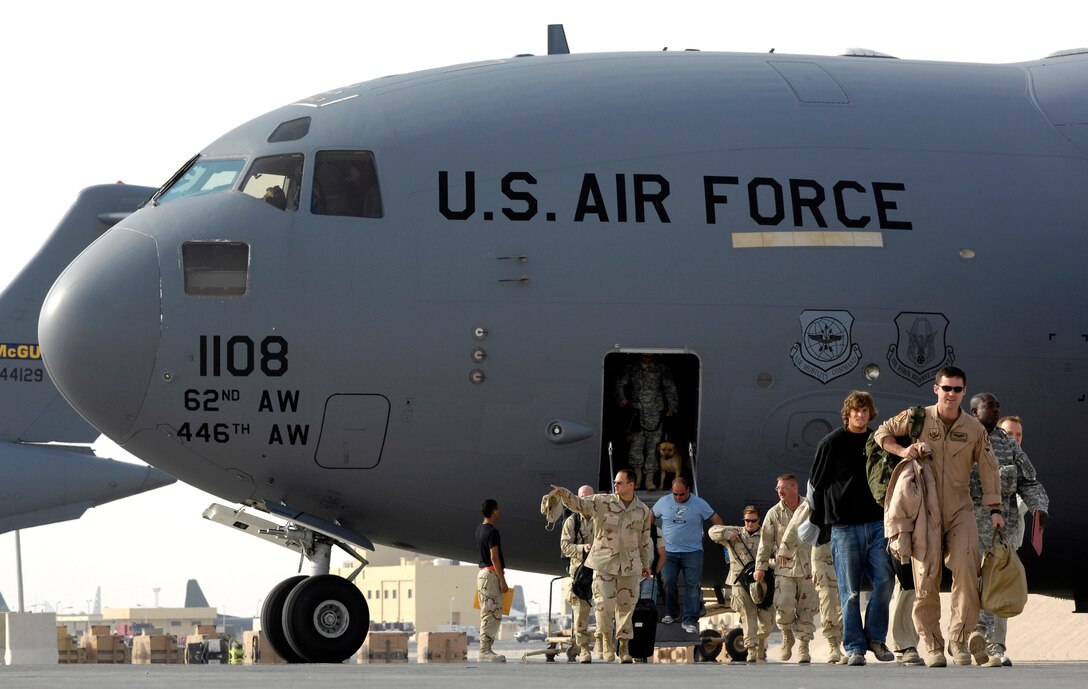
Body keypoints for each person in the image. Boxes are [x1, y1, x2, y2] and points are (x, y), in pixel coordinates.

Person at [878, 366, 1003, 668]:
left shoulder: (974, 429)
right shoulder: (917, 417)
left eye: (957, 389)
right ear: (936, 389)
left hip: (961, 509)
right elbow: (882, 433)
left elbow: (988, 467)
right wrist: (903, 449)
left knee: (966, 573)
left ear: (964, 391)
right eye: (946, 388)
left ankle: (958, 640)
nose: (951, 394)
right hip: (925, 511)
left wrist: (995, 508)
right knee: (926, 579)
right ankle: (932, 645)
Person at [809, 390, 894, 666]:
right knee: (850, 591)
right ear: (848, 414)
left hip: (878, 523)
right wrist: (821, 524)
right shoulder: (831, 443)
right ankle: (855, 647)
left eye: (865, 411)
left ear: (871, 414)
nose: (860, 415)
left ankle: (876, 639)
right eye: (855, 411)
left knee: (885, 581)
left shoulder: (878, 441)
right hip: (844, 527)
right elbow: (817, 486)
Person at [969, 395, 1049, 667]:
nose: (995, 411)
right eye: (990, 408)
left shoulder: (1009, 447)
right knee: (970, 587)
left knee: (998, 583)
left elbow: (1029, 482)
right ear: (974, 412)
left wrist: (1039, 506)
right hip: (965, 526)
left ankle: (990, 644)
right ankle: (967, 640)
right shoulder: (960, 438)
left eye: (997, 408)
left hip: (1002, 529)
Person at [547, 469, 652, 664]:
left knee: (626, 608)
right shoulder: (603, 502)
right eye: (615, 482)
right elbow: (580, 504)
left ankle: (624, 648)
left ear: (631, 485)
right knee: (603, 607)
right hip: (604, 564)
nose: (616, 485)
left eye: (620, 482)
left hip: (629, 567)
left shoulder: (643, 511)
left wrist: (645, 565)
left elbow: (644, 541)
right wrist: (564, 494)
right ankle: (606, 642)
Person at [754, 474, 817, 663]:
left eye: (783, 488)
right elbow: (765, 543)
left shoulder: (811, 507)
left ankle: (804, 646)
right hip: (784, 568)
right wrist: (760, 567)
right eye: (778, 489)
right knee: (783, 604)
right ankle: (787, 634)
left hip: (808, 568)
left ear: (795, 488)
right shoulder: (774, 513)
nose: (780, 492)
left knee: (807, 609)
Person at [653, 476, 723, 633]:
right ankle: (672, 612)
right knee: (668, 581)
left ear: (689, 490)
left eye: (681, 494)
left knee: (692, 585)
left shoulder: (699, 503)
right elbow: (652, 515)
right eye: (675, 494)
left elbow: (715, 518)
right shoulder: (664, 502)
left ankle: (690, 619)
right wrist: (649, 534)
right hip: (669, 552)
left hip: (692, 552)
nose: (678, 497)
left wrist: (722, 536)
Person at [783, 491, 845, 664]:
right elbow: (797, 520)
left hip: (847, 549)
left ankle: (847, 643)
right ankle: (833, 645)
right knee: (828, 598)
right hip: (823, 551)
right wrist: (786, 548)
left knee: (847, 600)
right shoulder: (820, 489)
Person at [710, 506, 774, 662]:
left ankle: (759, 639)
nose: (750, 524)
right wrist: (727, 534)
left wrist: (766, 566)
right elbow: (712, 531)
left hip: (761, 581)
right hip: (740, 581)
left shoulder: (766, 536)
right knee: (748, 614)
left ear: (759, 520)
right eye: (747, 521)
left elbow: (775, 555)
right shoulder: (736, 531)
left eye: (753, 521)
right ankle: (751, 649)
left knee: (767, 619)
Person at [614, 354, 678, 489]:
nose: (647, 359)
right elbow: (619, 384)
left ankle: (649, 479)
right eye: (645, 356)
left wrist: (672, 406)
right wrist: (621, 398)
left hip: (655, 414)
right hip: (636, 414)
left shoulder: (661, 368)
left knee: (653, 448)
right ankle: (637, 479)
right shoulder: (631, 368)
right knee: (636, 447)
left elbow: (670, 388)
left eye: (650, 357)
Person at [560, 485, 596, 663]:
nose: (585, 502)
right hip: (581, 572)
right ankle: (583, 649)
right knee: (581, 611)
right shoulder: (572, 522)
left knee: (607, 609)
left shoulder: (602, 518)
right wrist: (582, 548)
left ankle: (611, 646)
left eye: (589, 498)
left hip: (601, 568)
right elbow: (565, 547)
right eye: (582, 498)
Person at [475, 498, 509, 663]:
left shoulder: (479, 530)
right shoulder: (492, 532)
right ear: (494, 510)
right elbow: (494, 557)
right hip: (490, 574)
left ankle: (485, 649)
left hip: (482, 575)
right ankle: (485, 650)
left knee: (486, 612)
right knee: (492, 613)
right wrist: (502, 579)